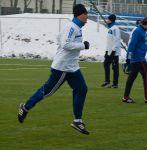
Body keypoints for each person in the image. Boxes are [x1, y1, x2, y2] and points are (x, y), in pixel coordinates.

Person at [18, 4, 90, 135]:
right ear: (80, 14)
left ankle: (77, 121)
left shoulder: (76, 27)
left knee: (82, 89)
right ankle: (26, 107)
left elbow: (59, 38)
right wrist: (82, 45)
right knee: (47, 92)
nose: (87, 17)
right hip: (62, 68)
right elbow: (65, 44)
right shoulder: (72, 27)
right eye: (86, 14)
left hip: (72, 67)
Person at [122, 17, 147, 103]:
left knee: (131, 77)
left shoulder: (144, 31)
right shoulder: (138, 31)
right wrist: (128, 58)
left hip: (139, 58)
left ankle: (125, 97)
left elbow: (144, 45)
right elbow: (132, 45)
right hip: (138, 58)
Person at [101, 14, 121, 88]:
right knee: (106, 64)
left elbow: (116, 40)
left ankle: (115, 84)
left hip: (114, 53)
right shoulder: (110, 28)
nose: (107, 21)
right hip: (109, 52)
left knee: (115, 68)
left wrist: (113, 52)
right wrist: (106, 51)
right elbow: (109, 41)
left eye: (108, 19)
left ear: (111, 20)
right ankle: (107, 81)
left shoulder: (115, 29)